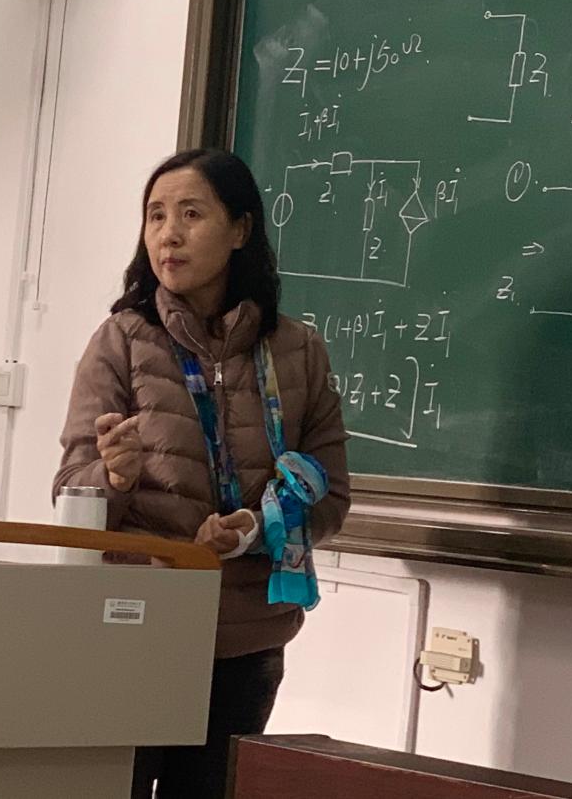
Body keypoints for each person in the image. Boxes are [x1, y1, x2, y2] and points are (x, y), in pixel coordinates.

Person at [55, 149, 351, 799]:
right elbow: (72, 496)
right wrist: (114, 477)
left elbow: (331, 496)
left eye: (191, 214)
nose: (169, 233)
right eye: (156, 215)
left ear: (240, 229)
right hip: (135, 627)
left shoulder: (298, 352)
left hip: (245, 638)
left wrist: (254, 530)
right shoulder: (121, 341)